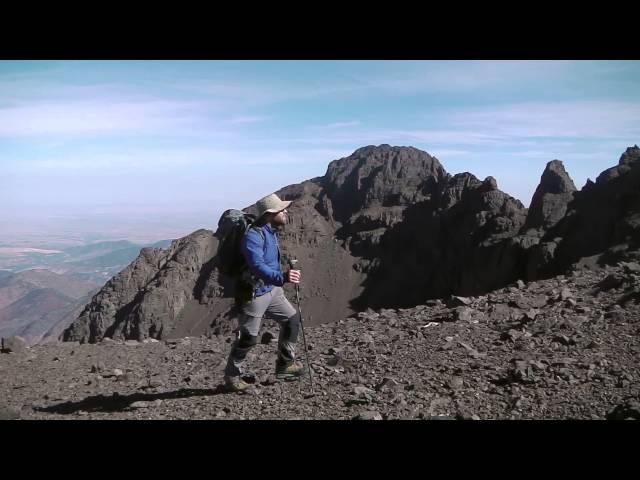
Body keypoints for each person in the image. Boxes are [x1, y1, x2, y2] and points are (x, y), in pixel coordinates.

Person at [223, 193, 305, 392]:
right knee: (249, 338)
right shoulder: (253, 235)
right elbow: (257, 265)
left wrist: (280, 279)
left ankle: (285, 365)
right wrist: (282, 278)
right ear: (270, 214)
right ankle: (232, 377)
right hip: (254, 294)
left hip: (272, 290)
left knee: (292, 320)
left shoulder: (270, 230)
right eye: (281, 210)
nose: (286, 212)